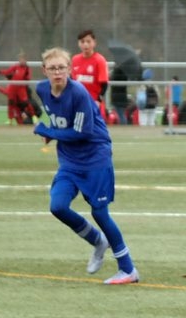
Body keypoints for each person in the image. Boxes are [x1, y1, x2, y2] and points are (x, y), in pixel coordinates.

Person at [34, 47, 140, 285]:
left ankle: (128, 269)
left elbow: (83, 132)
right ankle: (97, 241)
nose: (57, 72)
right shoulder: (41, 89)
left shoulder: (79, 93)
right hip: (69, 161)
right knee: (58, 206)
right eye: (52, 68)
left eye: (62, 67)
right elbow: (57, 117)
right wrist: (50, 130)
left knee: (99, 213)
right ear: (44, 70)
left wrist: (48, 131)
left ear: (69, 69)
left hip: (95, 158)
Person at [70, 29, 109, 120]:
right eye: (82, 42)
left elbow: (104, 84)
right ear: (79, 43)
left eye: (88, 41)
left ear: (94, 43)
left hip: (93, 103)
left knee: (96, 128)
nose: (85, 44)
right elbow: (72, 82)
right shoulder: (75, 60)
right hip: (78, 103)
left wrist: (98, 101)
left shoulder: (100, 60)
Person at [0, 51, 36, 125]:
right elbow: (8, 71)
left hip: (21, 87)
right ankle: (10, 119)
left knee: (26, 102)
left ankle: (33, 116)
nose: (21, 61)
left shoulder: (27, 68)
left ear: (26, 60)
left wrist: (26, 76)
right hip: (13, 87)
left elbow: (28, 78)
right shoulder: (16, 66)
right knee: (11, 102)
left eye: (23, 59)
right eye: (20, 59)